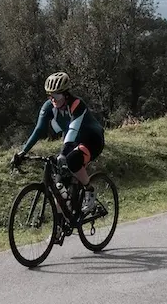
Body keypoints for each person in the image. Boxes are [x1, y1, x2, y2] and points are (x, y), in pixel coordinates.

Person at [13, 71, 105, 216]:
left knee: (72, 160)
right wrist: (23, 152)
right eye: (49, 95)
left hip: (92, 140)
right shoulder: (49, 107)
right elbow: (39, 130)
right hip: (72, 142)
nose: (52, 99)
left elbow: (73, 129)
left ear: (66, 94)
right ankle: (60, 226)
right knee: (60, 184)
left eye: (56, 95)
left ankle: (89, 191)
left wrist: (63, 153)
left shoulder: (77, 104)